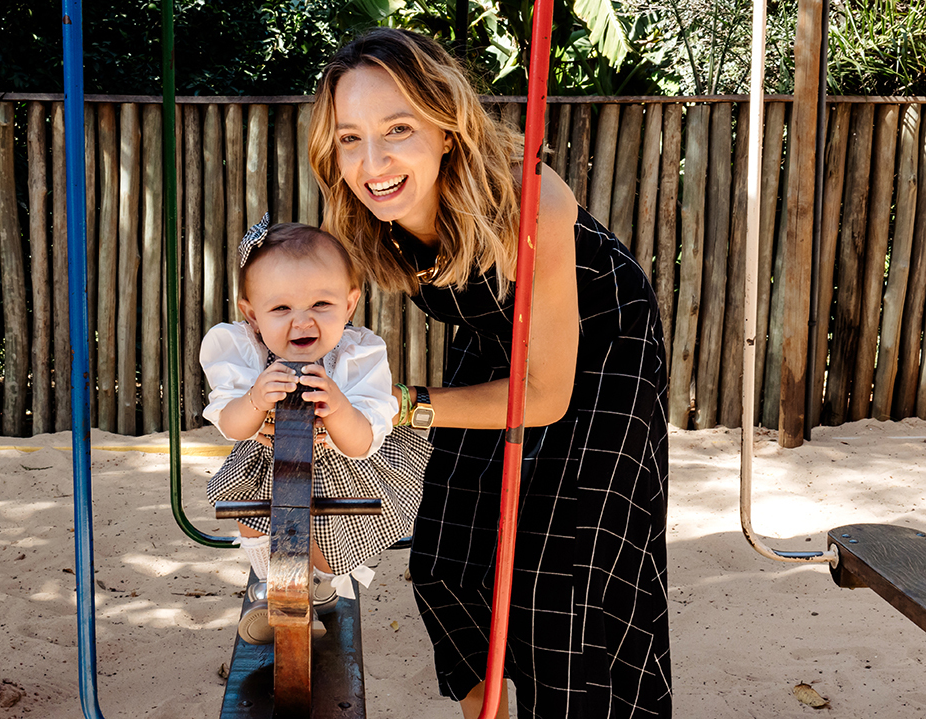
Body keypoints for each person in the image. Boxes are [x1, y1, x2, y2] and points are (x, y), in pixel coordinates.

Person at [308, 28, 671, 719]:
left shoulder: (527, 202)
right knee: (448, 551)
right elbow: (310, 305)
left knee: (568, 575)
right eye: (350, 137)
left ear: (446, 127)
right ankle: (488, 706)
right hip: (496, 336)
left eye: (397, 128)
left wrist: (397, 404)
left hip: (601, 354)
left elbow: (542, 395)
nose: (372, 159)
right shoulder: (364, 215)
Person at [200, 218, 431, 645]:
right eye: (281, 308)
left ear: (349, 304)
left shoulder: (357, 355)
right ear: (251, 314)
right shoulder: (243, 351)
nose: (302, 322)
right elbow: (231, 427)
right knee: (251, 519)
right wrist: (254, 400)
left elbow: (361, 441)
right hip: (267, 464)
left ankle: (320, 587)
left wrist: (339, 406)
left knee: (331, 535)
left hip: (344, 466)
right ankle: (271, 590)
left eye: (321, 305)